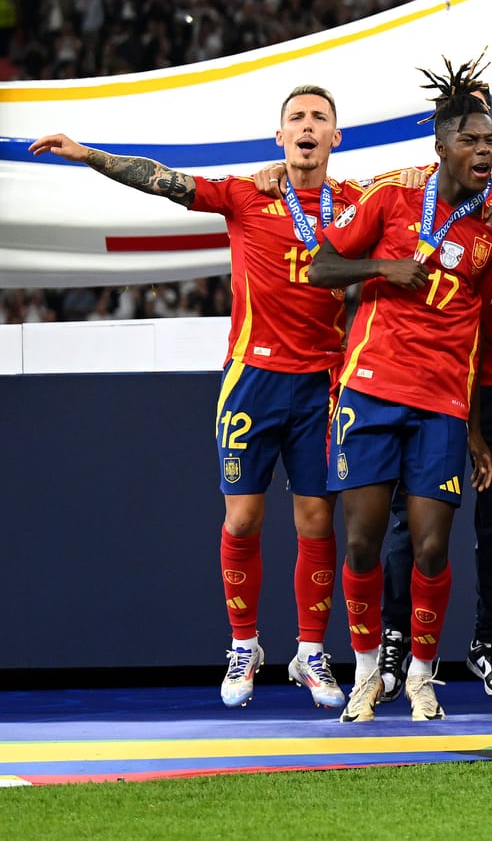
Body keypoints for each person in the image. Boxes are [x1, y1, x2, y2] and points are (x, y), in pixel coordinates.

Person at [30, 88, 359, 711]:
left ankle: (311, 652)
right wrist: (85, 154)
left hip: (324, 382)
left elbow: (420, 195)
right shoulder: (245, 193)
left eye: (320, 118)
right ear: (281, 136)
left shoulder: (355, 206)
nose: (308, 127)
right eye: (297, 118)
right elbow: (162, 180)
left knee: (316, 520)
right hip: (253, 381)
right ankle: (244, 645)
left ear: (336, 138)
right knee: (243, 519)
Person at [307, 58, 492, 722]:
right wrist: (381, 267)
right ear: (442, 146)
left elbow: (480, 333)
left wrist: (477, 428)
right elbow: (319, 266)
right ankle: (369, 671)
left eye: (490, 141)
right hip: (370, 392)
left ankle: (422, 674)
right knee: (364, 544)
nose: (484, 152)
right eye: (471, 141)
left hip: (443, 405)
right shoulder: (391, 198)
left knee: (432, 546)